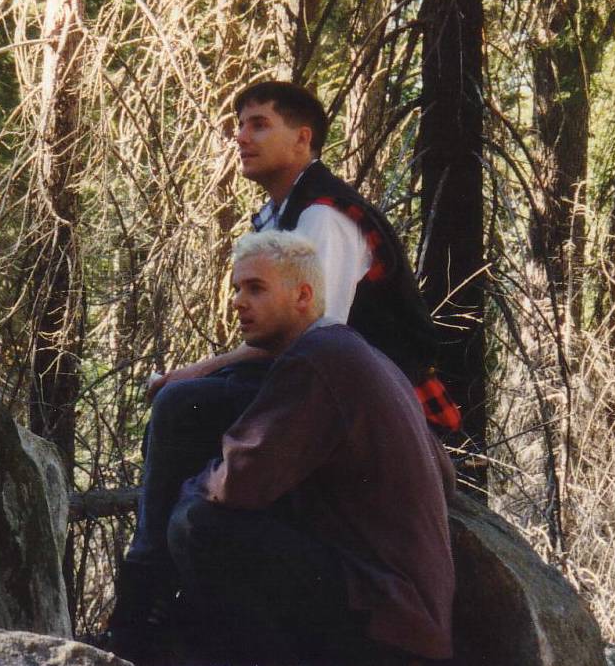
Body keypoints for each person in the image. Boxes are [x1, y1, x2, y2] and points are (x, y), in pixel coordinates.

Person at [109, 81, 456, 644]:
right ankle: (170, 601)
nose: (240, 136)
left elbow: (316, 331)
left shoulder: (324, 217)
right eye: (239, 124)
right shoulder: (274, 218)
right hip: (320, 385)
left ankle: (146, 592)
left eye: (259, 124)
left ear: (303, 139)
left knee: (183, 407)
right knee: (197, 418)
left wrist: (196, 373)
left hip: (363, 404)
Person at [169, 232, 454, 664]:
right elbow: (446, 475)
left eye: (256, 288)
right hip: (407, 615)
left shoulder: (318, 357)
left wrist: (189, 486)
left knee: (196, 523)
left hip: (383, 617)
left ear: (303, 296)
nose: (238, 302)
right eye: (237, 289)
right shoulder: (366, 356)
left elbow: (239, 481)